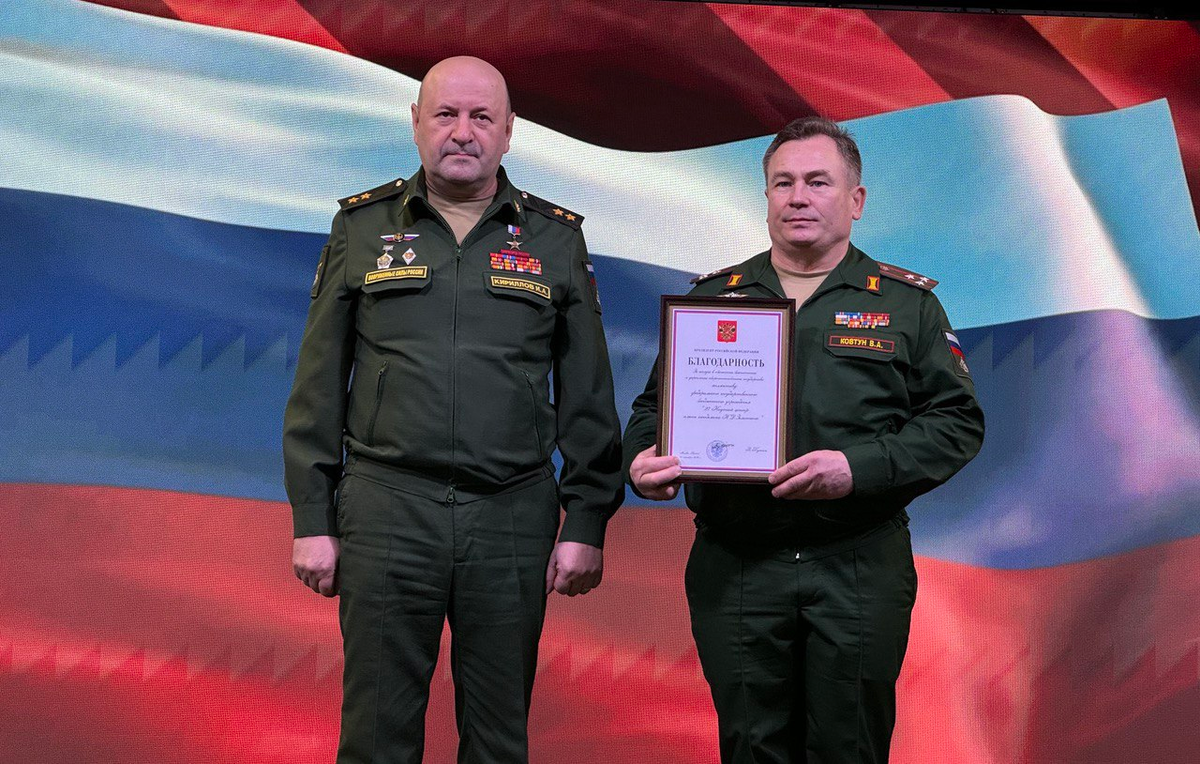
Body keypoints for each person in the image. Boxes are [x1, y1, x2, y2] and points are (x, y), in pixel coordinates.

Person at [283, 56, 624, 764]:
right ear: (416, 124)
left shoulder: (556, 238)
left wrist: (587, 519)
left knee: (499, 739)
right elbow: (318, 383)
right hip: (387, 507)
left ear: (509, 131)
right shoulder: (361, 226)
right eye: (445, 115)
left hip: (511, 513)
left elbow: (588, 394)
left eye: (481, 117)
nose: (462, 132)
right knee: (376, 736)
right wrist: (312, 518)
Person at [623, 117, 985, 764]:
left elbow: (957, 422)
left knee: (849, 748)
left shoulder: (908, 306)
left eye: (819, 182)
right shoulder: (715, 299)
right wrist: (642, 460)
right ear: (766, 197)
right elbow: (655, 410)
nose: (798, 197)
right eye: (783, 183)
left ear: (856, 199)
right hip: (738, 562)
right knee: (751, 746)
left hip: (856, 563)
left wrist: (857, 468)